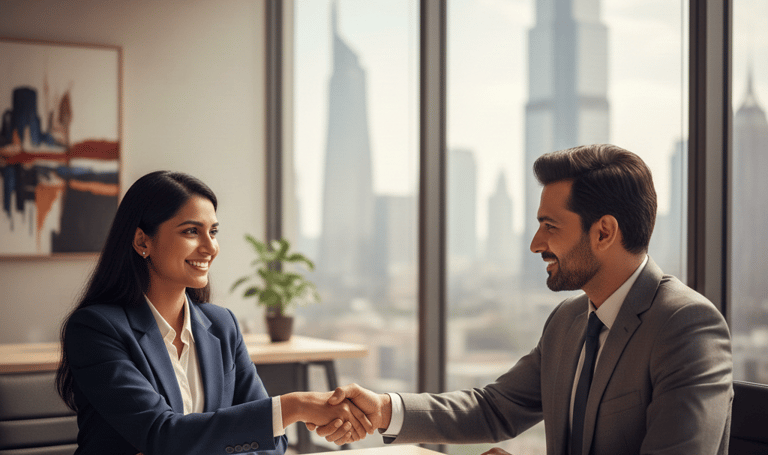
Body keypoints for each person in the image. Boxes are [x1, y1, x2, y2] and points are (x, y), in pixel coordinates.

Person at [310, 144, 734, 454]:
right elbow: (496, 408)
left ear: (604, 232)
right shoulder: (569, 321)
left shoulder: (686, 326)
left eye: (550, 226)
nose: (535, 244)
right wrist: (384, 409)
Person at [56, 171, 371, 455]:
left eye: (214, 231)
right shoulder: (95, 329)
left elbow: (273, 445)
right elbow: (162, 435)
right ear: (142, 241)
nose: (210, 247)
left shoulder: (222, 326)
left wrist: (196, 443)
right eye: (192, 231)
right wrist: (294, 406)